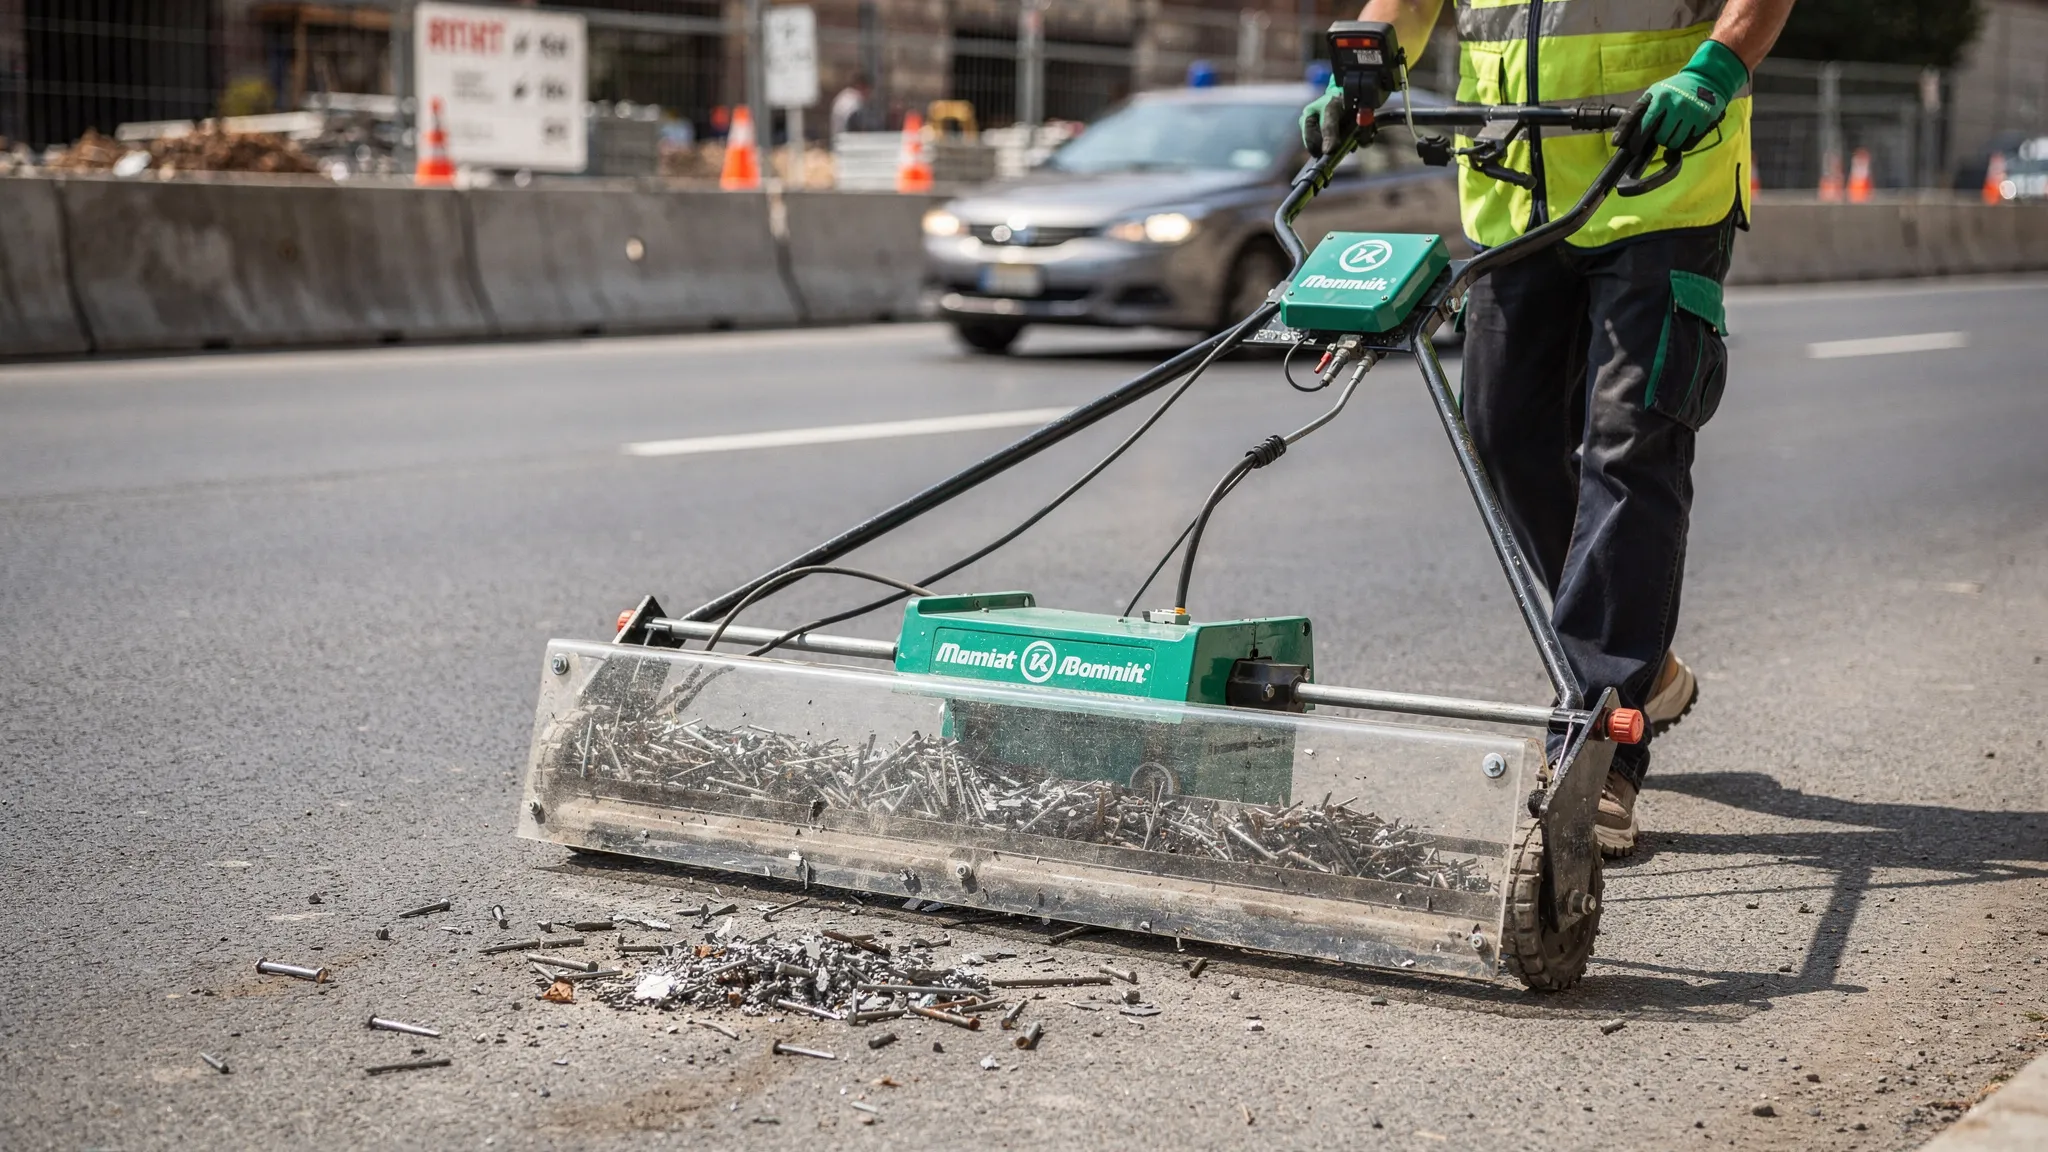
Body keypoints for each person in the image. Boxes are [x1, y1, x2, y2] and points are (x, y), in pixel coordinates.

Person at [1303, 0, 1796, 856]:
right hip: (1515, 194)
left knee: (1630, 445)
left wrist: (1715, 69)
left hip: (1660, 184)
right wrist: (1367, 68)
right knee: (1500, 437)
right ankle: (1642, 661)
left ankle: (1601, 735)